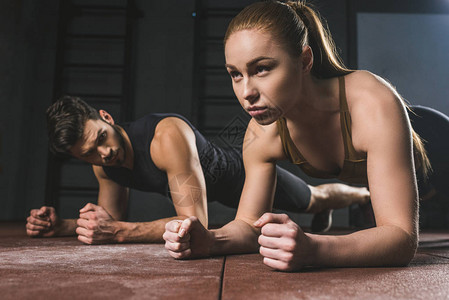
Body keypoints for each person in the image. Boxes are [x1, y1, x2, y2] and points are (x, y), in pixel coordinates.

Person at [163, 0, 436, 270]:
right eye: (236, 74)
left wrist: (314, 248)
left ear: (304, 60)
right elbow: (249, 224)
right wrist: (210, 240)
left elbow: (401, 238)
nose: (247, 92)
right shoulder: (262, 133)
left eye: (262, 68)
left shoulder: (372, 104)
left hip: (438, 154)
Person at [26, 96, 370, 244]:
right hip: (213, 195)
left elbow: (197, 225)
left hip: (243, 177)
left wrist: (118, 233)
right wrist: (64, 225)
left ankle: (364, 193)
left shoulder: (165, 137)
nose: (106, 153)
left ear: (106, 117)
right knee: (308, 202)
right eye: (90, 154)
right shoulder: (104, 166)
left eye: (102, 138)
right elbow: (110, 218)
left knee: (311, 198)